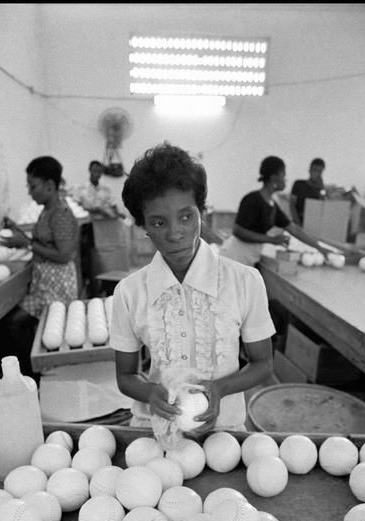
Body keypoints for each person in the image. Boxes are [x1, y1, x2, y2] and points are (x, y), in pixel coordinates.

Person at [109, 142, 276, 433]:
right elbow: (125, 375)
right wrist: (149, 393)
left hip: (224, 432)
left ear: (202, 212)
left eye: (186, 217)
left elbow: (263, 364)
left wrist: (221, 388)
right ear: (143, 226)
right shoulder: (129, 293)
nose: (175, 233)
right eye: (158, 223)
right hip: (155, 430)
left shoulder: (244, 282)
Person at [0, 155, 79, 375]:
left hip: (57, 285)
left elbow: (64, 255)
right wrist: (16, 230)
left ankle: (37, 371)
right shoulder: (47, 210)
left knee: (16, 324)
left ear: (50, 185)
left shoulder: (61, 214)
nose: (29, 191)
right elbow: (43, 242)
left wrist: (26, 244)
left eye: (32, 186)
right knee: (21, 324)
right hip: (45, 283)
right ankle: (38, 367)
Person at [219, 155, 332, 268]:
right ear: (274, 178)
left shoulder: (272, 205)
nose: (285, 179)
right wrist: (271, 239)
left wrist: (320, 248)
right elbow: (238, 231)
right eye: (283, 175)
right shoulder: (252, 199)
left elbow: (294, 229)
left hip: (247, 259)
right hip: (233, 258)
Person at [72, 160, 130, 293]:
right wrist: (96, 209)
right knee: (91, 259)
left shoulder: (106, 189)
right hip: (89, 229)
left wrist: (117, 213)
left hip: (106, 229)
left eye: (99, 171)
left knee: (109, 258)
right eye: (94, 171)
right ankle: (93, 288)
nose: (96, 174)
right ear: (90, 171)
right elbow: (78, 207)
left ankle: (109, 286)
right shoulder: (81, 189)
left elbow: (113, 205)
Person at [290, 157, 326, 225]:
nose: (316, 173)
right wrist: (297, 223)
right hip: (299, 219)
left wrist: (322, 188)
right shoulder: (298, 184)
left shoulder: (320, 190)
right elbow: (292, 204)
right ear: (310, 170)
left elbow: (322, 206)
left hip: (313, 222)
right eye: (314, 170)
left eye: (319, 171)